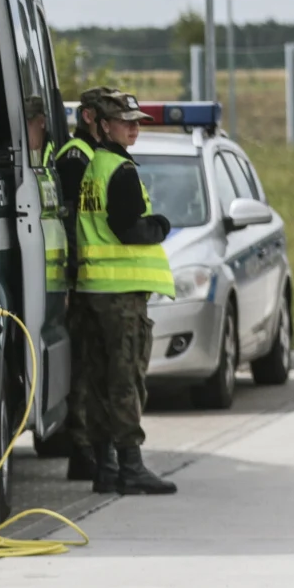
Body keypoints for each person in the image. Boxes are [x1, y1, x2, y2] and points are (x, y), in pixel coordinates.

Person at [75, 91, 177, 495]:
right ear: (103, 125)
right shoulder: (121, 170)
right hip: (121, 296)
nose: (134, 128)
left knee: (100, 381)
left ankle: (106, 468)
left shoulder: (94, 166)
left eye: (137, 122)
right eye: (125, 121)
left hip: (94, 291)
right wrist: (160, 225)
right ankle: (131, 467)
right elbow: (128, 228)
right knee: (126, 380)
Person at [53, 85, 124, 481]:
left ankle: (94, 448)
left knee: (98, 368)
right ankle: (82, 450)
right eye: (108, 116)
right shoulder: (75, 158)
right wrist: (72, 279)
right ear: (89, 117)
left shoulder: (98, 156)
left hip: (98, 280)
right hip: (82, 281)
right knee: (84, 368)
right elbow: (72, 226)